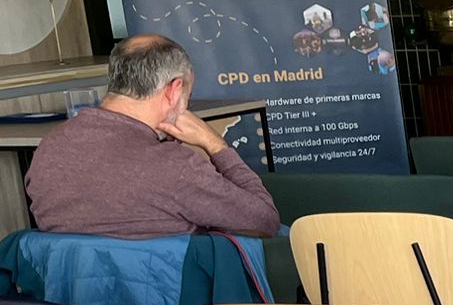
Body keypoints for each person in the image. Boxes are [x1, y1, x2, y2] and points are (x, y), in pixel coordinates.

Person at [26, 34, 281, 239]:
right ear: (174, 90)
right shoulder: (176, 167)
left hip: (69, 289)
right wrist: (214, 143)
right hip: (179, 290)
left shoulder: (49, 149)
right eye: (188, 96)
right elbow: (265, 221)